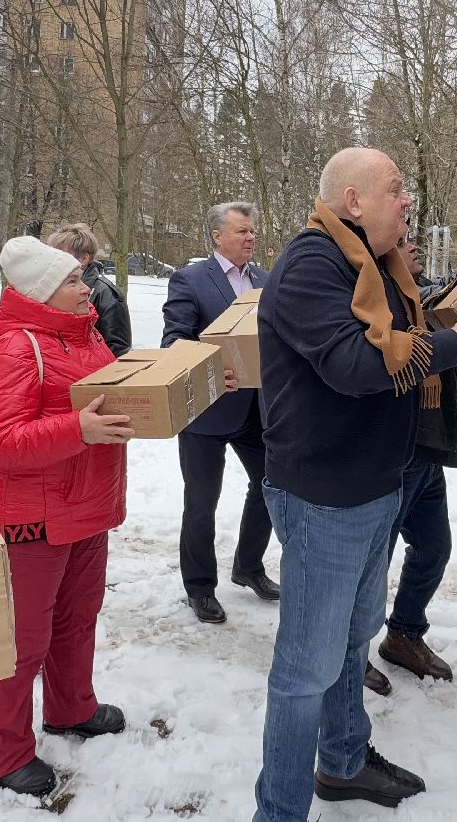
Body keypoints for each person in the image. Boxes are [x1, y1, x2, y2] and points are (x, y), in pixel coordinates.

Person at [253, 147, 457, 821]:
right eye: (394, 190)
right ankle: (278, 813)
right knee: (304, 673)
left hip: (376, 487)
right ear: (353, 201)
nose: (407, 201)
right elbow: (356, 366)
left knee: (353, 640)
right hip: (325, 498)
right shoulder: (310, 266)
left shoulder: (380, 265)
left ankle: (343, 762)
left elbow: (408, 338)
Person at [0, 236, 134, 800]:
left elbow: (115, 399)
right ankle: (2, 753)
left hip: (87, 507)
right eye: (72, 280)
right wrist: (75, 430)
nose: (86, 286)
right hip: (34, 519)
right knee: (20, 642)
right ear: (43, 291)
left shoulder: (83, 335)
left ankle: (71, 707)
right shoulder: (16, 349)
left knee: (76, 618)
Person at [161, 201, 276, 624]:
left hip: (256, 409)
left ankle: (248, 566)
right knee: (201, 502)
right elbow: (174, 341)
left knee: (272, 485)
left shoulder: (265, 280)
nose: (251, 238)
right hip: (205, 409)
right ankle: (200, 586)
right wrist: (211, 368)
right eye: (242, 232)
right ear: (217, 237)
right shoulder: (191, 279)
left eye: (252, 232)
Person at [364, 235, 457, 697]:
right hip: (395, 456)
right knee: (371, 563)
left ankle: (403, 633)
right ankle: (350, 653)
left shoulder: (426, 300)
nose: (414, 246)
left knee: (434, 548)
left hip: (428, 453)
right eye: (402, 242)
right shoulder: (382, 305)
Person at [46, 223, 132, 357]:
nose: (56, 260)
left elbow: (118, 353)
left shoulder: (107, 295)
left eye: (62, 254)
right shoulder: (52, 288)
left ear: (84, 259)